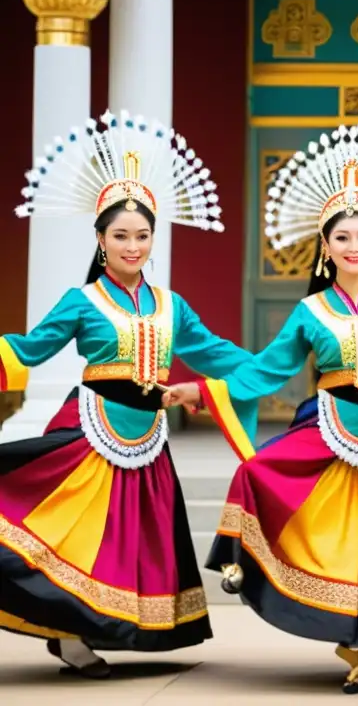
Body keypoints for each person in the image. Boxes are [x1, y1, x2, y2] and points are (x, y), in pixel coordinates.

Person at [162, 124, 358, 695]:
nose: (354, 246)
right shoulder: (311, 311)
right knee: (262, 477)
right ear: (326, 247)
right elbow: (265, 370)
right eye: (342, 237)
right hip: (330, 433)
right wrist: (201, 391)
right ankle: (277, 586)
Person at [0, 110, 251, 677]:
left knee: (128, 541)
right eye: (120, 236)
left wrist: (274, 362)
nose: (132, 246)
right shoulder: (81, 300)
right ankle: (69, 635)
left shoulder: (170, 305)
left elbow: (215, 354)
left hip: (147, 440)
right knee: (70, 534)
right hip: (90, 431)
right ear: (100, 239)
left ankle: (89, 630)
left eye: (142, 235)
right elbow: (29, 350)